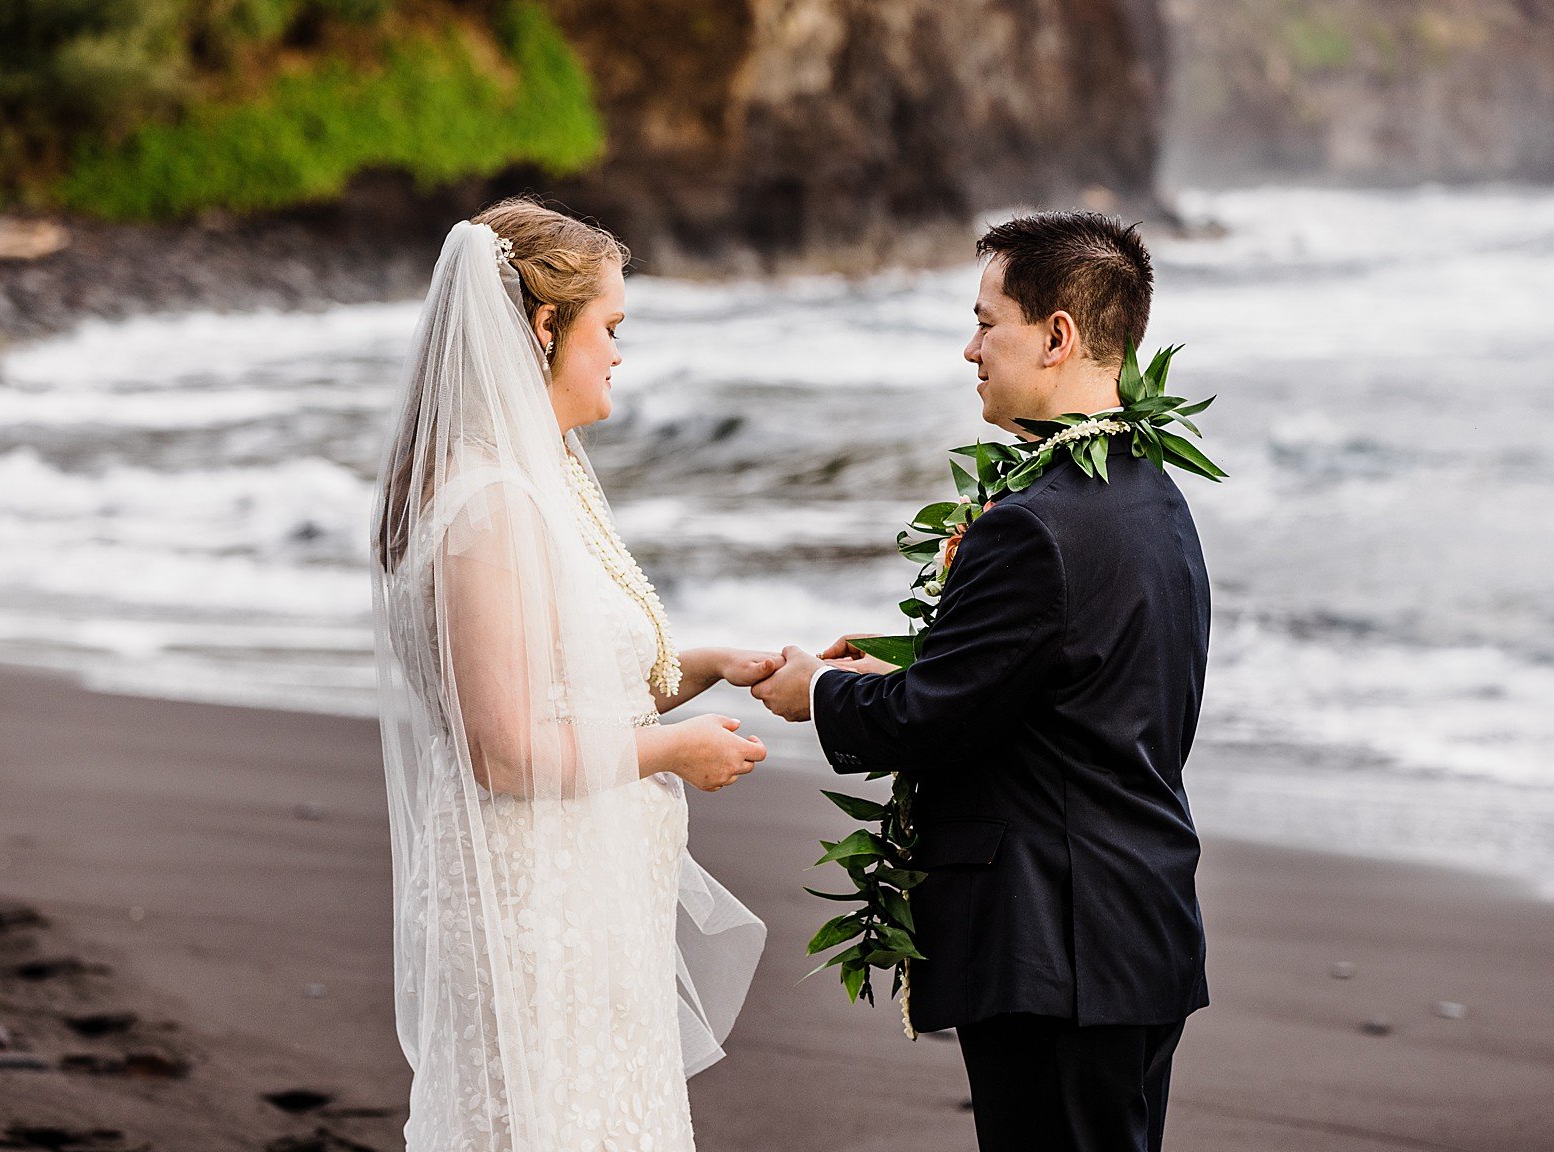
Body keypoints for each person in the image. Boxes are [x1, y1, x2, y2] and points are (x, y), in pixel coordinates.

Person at [754, 211, 1210, 1151]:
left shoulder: (1031, 524)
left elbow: (934, 720)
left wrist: (820, 693)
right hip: (1137, 928)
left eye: (986, 320)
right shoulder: (1153, 496)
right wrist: (919, 665)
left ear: (1058, 337)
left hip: (1057, 945)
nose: (969, 348)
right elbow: (1060, 690)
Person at [371, 198, 776, 1149]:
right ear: (547, 326)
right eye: (611, 327)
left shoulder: (533, 476)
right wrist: (675, 749)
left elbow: (570, 685)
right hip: (531, 913)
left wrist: (709, 667)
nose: (619, 355)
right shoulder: (491, 507)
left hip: (585, 904)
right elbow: (505, 751)